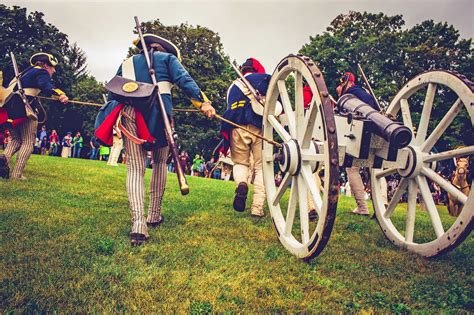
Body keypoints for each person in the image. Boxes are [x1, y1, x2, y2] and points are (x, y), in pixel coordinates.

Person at [95, 33, 215, 246]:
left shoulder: (128, 63)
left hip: (129, 112)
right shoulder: (168, 59)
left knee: (134, 167)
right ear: (164, 50)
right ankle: (153, 215)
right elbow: (185, 81)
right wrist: (203, 102)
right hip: (159, 115)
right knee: (159, 162)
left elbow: (114, 92)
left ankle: (138, 225)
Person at [0, 53, 68, 179]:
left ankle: (3, 159)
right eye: (52, 67)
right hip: (22, 109)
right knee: (28, 142)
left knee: (16, 139)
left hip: (9, 108)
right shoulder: (42, 73)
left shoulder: (25, 73)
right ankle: (16, 175)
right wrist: (61, 95)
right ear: (46, 65)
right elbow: (46, 86)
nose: (54, 70)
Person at [221, 58, 268, 217]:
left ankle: (241, 184)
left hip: (236, 126)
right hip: (258, 127)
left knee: (240, 163)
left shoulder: (232, 87)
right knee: (262, 167)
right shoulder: (262, 79)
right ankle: (257, 208)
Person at [336, 71, 388, 215]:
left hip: (361, 134)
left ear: (348, 83)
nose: (338, 88)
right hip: (379, 131)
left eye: (340, 85)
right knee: (377, 167)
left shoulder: (349, 96)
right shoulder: (364, 94)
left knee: (352, 169)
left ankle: (362, 207)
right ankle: (383, 202)